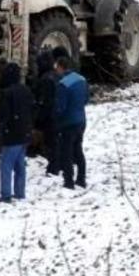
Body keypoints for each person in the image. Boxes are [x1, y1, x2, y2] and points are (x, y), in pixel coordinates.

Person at [0, 62, 34, 203]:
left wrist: (0, 128)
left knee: (6, 165)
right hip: (25, 133)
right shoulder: (26, 90)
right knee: (20, 165)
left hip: (11, 134)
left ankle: (5, 194)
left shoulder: (6, 94)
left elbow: (3, 115)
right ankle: (20, 192)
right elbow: (32, 110)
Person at [54, 55, 89, 189]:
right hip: (81, 120)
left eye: (56, 67)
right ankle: (81, 178)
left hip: (68, 122)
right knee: (78, 149)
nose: (56, 70)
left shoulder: (63, 84)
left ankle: (68, 181)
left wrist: (56, 118)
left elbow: (60, 107)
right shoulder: (82, 79)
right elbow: (86, 99)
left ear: (61, 67)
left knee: (66, 153)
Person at [32, 49, 59, 175]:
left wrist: (38, 118)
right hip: (58, 114)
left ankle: (54, 167)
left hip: (50, 116)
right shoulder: (56, 76)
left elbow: (45, 101)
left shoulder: (46, 79)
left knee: (51, 141)